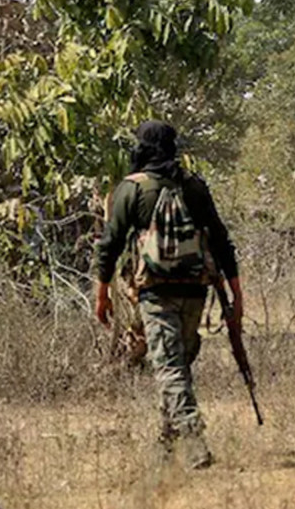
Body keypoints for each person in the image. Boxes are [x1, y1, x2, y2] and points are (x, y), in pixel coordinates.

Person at [95, 121, 243, 469]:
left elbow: (110, 245)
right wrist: (237, 292)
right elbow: (220, 239)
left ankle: (194, 444)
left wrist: (102, 293)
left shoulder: (131, 189)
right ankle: (164, 447)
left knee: (170, 366)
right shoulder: (193, 185)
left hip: (155, 290)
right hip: (195, 289)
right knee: (175, 365)